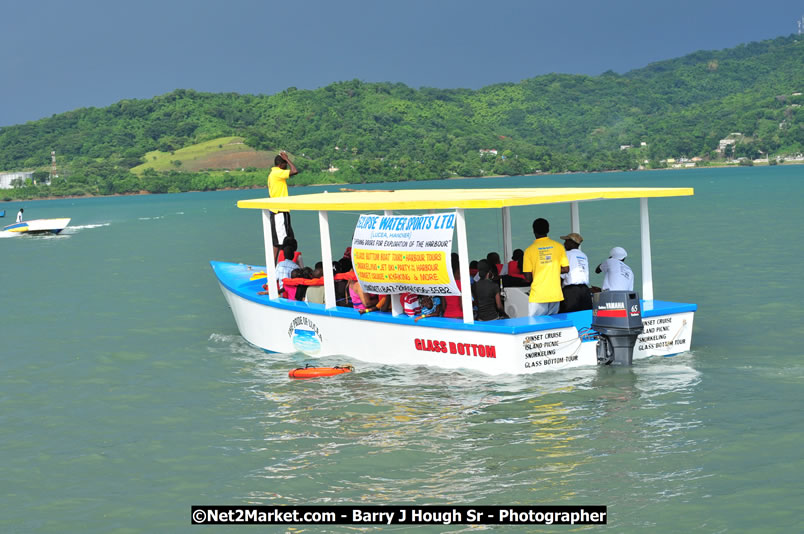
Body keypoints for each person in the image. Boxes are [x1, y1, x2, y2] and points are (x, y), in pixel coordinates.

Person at [522, 218, 569, 316]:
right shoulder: (559, 246)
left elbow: (528, 277)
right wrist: (553, 268)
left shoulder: (528, 251)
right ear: (548, 230)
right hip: (555, 294)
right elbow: (566, 269)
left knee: (536, 326)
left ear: (533, 231)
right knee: (552, 324)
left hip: (538, 295)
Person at [267, 151, 298, 261]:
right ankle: (273, 269)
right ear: (281, 164)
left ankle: (286, 265)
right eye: (285, 164)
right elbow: (295, 171)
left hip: (282, 211)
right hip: (279, 211)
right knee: (279, 243)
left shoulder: (275, 173)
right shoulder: (277, 173)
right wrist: (287, 159)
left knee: (289, 240)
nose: (286, 167)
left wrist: (285, 159)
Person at [558, 232, 593, 313]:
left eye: (566, 241)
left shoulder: (567, 254)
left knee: (568, 316)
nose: (564, 243)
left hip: (571, 291)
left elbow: (562, 275)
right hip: (585, 290)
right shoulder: (583, 255)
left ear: (571, 242)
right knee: (585, 316)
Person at [443, 254, 464, 319]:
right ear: (457, 271)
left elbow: (444, 306)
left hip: (447, 315)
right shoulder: (460, 284)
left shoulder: (445, 284)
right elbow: (462, 306)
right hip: (459, 315)